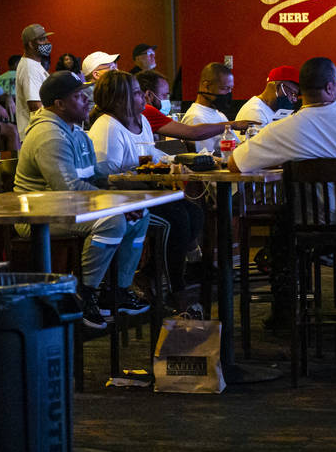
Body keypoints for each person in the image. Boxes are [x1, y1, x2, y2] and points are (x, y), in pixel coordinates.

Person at [230, 57, 336, 326]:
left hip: (317, 226)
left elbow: (235, 164)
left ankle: (287, 310)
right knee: (298, 222)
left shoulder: (284, 128)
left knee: (284, 226)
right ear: (331, 87)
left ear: (301, 91)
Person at [14, 69, 150, 328]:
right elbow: (68, 188)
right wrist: (117, 203)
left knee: (140, 215)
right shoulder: (49, 135)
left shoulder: (76, 132)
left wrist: (127, 192)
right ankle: (84, 296)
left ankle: (117, 291)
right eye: (79, 96)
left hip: (70, 208)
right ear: (59, 104)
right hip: (40, 215)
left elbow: (95, 176)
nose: (88, 99)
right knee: (112, 221)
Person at [88, 70, 204, 308]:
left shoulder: (142, 121)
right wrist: (143, 174)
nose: (143, 97)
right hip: (119, 200)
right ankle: (176, 290)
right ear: (119, 99)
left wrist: (174, 163)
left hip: (144, 194)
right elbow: (105, 175)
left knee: (194, 212)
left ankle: (149, 274)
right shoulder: (107, 127)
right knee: (177, 220)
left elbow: (151, 154)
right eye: (137, 93)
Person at [136, 69, 251, 147]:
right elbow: (193, 132)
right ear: (149, 95)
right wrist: (233, 124)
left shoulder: (139, 112)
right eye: (164, 95)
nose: (167, 100)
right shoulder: (146, 110)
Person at [183, 62, 249, 153]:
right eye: (224, 88)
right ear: (207, 86)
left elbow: (235, 146)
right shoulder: (195, 117)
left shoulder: (220, 115)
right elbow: (206, 156)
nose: (228, 94)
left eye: (231, 89)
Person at [16, 23, 52, 137]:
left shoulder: (34, 64)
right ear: (31, 44)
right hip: (36, 134)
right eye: (42, 39)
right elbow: (35, 106)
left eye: (46, 38)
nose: (47, 42)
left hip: (40, 131)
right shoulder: (29, 68)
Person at [234, 65, 300, 127]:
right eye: (292, 93)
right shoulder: (255, 111)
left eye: (296, 96)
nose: (295, 100)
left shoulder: (276, 110)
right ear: (277, 87)